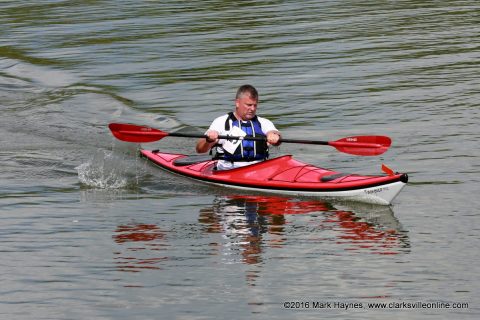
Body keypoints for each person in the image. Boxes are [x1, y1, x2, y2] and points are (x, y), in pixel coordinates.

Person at [196, 84, 281, 170]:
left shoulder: (263, 122)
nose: (252, 109)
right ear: (237, 103)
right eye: (249, 105)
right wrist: (208, 140)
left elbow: (275, 134)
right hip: (228, 172)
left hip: (259, 171)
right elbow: (200, 149)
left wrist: (274, 136)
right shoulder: (221, 122)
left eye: (255, 105)